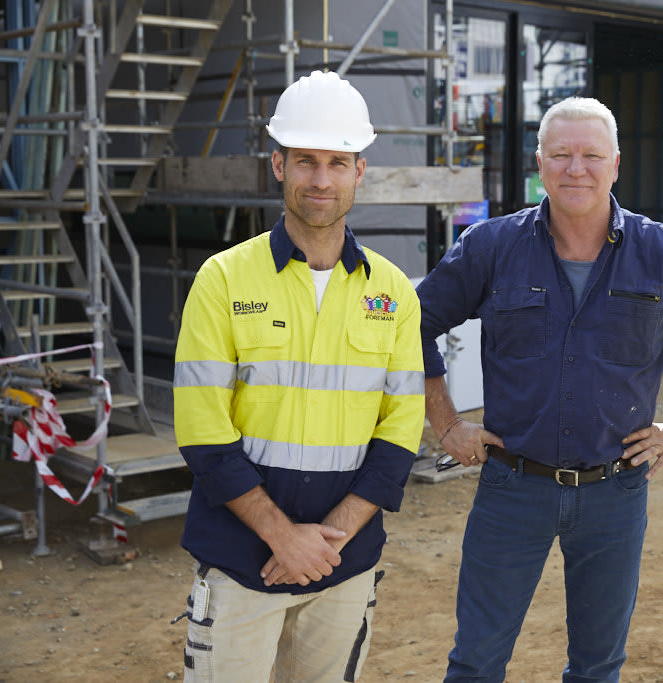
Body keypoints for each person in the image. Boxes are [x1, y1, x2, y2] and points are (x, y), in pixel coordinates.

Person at [417, 96, 663, 682]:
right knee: (475, 662)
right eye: (561, 154)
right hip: (511, 489)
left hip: (615, 494)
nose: (577, 169)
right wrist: (446, 423)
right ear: (538, 163)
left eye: (591, 155)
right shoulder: (492, 247)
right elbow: (409, 327)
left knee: (598, 666)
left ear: (616, 165)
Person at [172, 70, 424, 682]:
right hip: (241, 563)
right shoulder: (223, 280)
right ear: (278, 164)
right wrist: (282, 538)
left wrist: (324, 540)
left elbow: (400, 434)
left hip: (345, 563)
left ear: (359, 171)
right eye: (305, 160)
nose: (321, 179)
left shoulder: (393, 292)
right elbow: (203, 431)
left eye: (338, 162)